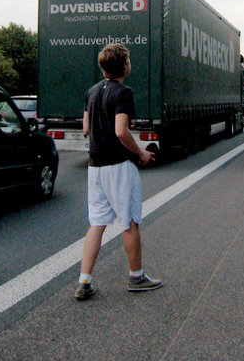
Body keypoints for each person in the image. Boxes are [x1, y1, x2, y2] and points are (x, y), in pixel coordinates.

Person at [75, 43, 162, 301]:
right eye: (129, 60)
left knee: (97, 223)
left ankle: (84, 281)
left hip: (95, 167)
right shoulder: (123, 93)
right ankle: (136, 277)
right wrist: (141, 153)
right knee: (130, 221)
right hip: (118, 167)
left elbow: (86, 129)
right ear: (124, 65)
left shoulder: (91, 92)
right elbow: (121, 131)